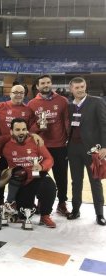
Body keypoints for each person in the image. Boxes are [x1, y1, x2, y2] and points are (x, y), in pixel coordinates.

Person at [28, 75, 70, 216]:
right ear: (37, 86)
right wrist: (38, 125)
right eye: (42, 83)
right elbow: (29, 129)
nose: (46, 85)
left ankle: (62, 203)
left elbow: (67, 122)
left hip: (59, 146)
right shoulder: (32, 103)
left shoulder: (63, 101)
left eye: (48, 82)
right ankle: (40, 202)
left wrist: (69, 140)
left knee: (61, 177)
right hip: (40, 147)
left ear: (51, 84)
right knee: (38, 175)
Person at [2, 118, 57, 228]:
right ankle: (24, 207)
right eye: (17, 130)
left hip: (37, 176)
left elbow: (49, 159)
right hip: (22, 181)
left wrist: (41, 166)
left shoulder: (36, 141)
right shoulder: (5, 145)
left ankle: (45, 215)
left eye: (24, 129)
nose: (21, 132)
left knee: (49, 187)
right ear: (11, 132)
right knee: (23, 214)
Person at [67, 77, 106, 225]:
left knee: (95, 181)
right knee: (76, 182)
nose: (80, 90)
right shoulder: (70, 106)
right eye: (77, 87)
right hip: (73, 149)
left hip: (92, 149)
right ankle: (75, 210)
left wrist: (104, 146)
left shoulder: (97, 101)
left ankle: (99, 214)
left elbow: (104, 125)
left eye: (82, 86)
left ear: (85, 86)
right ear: (71, 89)